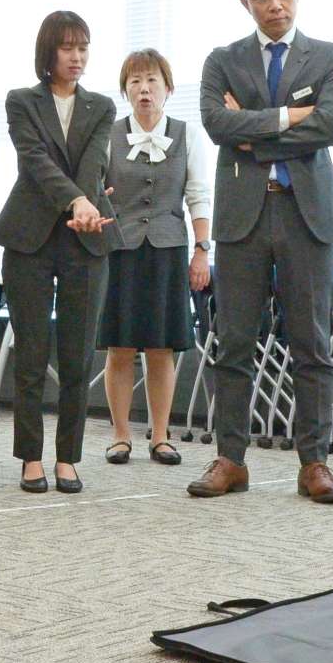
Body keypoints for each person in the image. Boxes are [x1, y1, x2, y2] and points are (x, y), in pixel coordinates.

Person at [189, 0, 333, 504]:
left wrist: (254, 130)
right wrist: (289, 117)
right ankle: (231, 458)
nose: (275, 5)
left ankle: (316, 462)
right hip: (242, 215)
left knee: (313, 344)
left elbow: (332, 125)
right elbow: (216, 124)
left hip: (306, 214)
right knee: (233, 343)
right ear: (246, 3)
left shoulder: (327, 57)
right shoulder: (222, 61)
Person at [0, 11, 118, 494]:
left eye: (83, 47)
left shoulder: (102, 106)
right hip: (30, 239)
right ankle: (30, 458)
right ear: (49, 52)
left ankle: (68, 457)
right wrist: (78, 201)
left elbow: (95, 160)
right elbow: (36, 160)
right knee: (31, 352)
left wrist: (84, 203)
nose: (77, 57)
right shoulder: (22, 101)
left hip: (87, 237)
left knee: (79, 355)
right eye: (67, 48)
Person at [98, 48, 211, 467]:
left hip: (168, 248)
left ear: (168, 88)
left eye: (152, 81)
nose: (144, 89)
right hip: (120, 250)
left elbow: (198, 195)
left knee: (163, 347)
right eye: (135, 81)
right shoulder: (108, 135)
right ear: (124, 89)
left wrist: (201, 250)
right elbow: (95, 193)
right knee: (121, 346)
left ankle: (161, 436)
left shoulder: (187, 134)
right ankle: (120, 435)